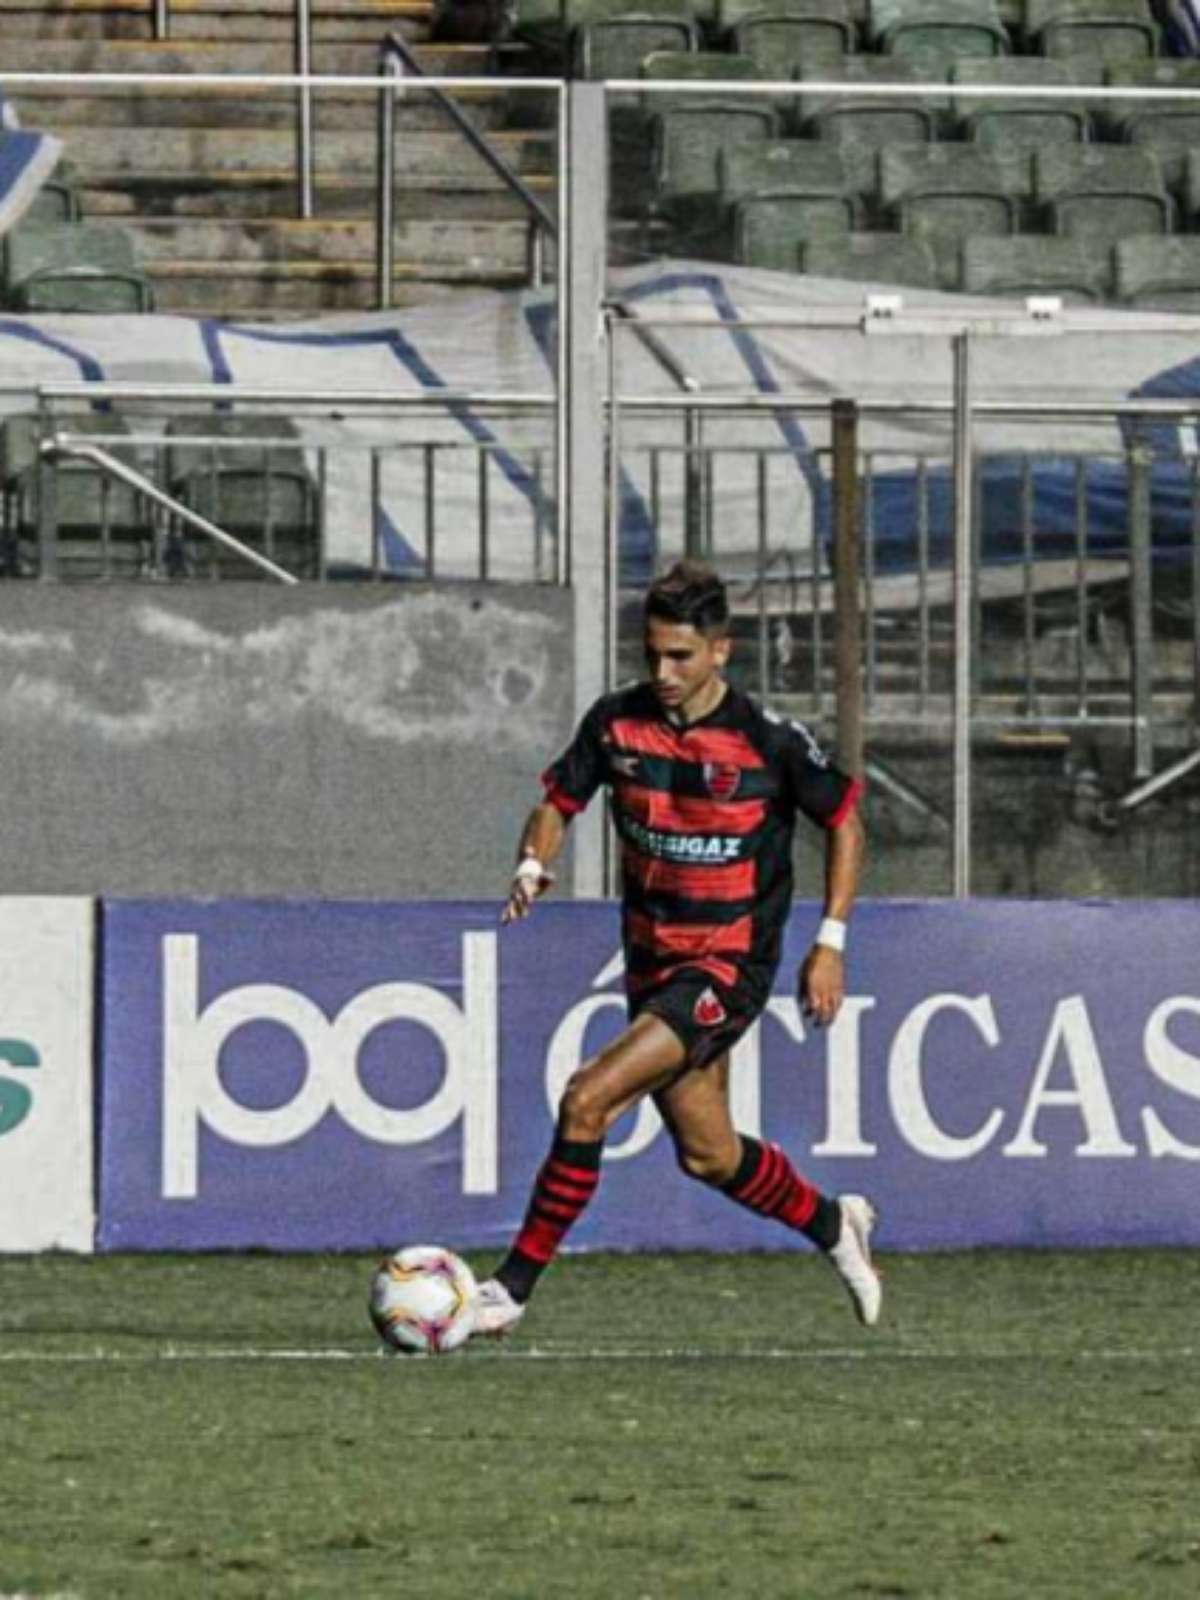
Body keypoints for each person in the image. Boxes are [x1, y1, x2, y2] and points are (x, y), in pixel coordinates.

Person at [473, 558, 879, 1338]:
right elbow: (557, 801)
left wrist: (830, 941)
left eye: (681, 656)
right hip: (653, 958)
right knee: (709, 1154)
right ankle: (834, 1224)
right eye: (653, 654)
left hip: (729, 964)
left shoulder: (768, 742)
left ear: (720, 651)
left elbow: (846, 821)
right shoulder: (615, 722)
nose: (663, 671)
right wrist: (533, 860)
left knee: (587, 1097)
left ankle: (510, 1291)